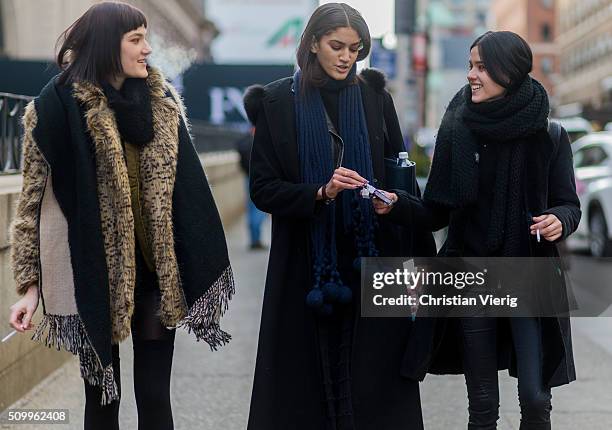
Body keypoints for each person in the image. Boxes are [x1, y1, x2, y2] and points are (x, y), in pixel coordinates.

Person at [7, 3, 235, 429]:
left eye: (146, 38)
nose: (147, 49)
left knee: (153, 396)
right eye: (136, 39)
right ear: (107, 46)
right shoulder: (53, 110)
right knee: (102, 401)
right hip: (91, 275)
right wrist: (30, 287)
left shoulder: (162, 103)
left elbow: (187, 189)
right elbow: (31, 204)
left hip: (152, 274)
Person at [244, 3, 436, 429]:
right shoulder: (276, 102)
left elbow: (395, 170)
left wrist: (390, 199)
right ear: (313, 43)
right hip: (305, 262)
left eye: (356, 48)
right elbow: (263, 189)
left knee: (374, 383)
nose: (347, 57)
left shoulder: (374, 98)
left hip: (369, 253)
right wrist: (321, 191)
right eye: (337, 46)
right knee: (303, 382)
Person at [375, 31, 580, 429]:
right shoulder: (456, 131)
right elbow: (436, 212)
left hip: (529, 278)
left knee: (536, 400)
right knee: (482, 404)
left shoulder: (549, 135)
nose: (472, 75)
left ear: (510, 70)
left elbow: (568, 204)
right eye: (471, 65)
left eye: (482, 67)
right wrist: (396, 205)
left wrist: (559, 219)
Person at [236, 127, 266, 250]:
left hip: (248, 178)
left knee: (251, 208)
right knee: (259, 210)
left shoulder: (245, 142)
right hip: (259, 179)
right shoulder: (259, 142)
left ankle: (254, 239)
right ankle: (256, 240)